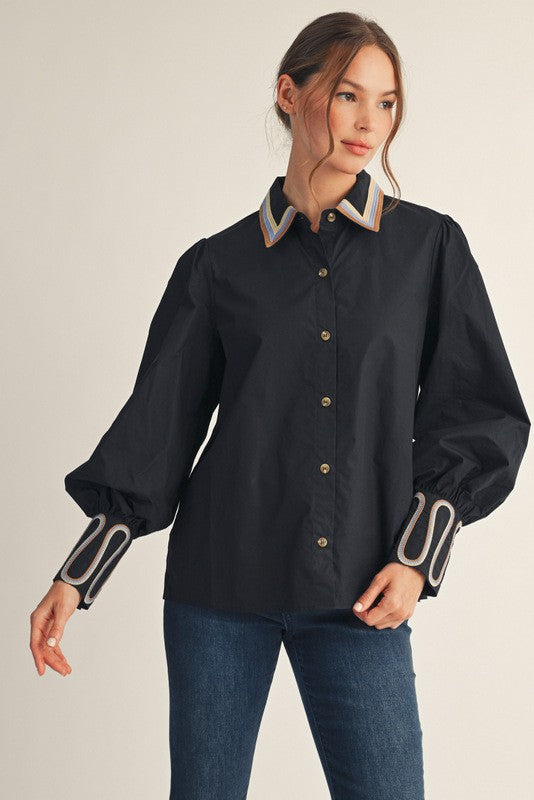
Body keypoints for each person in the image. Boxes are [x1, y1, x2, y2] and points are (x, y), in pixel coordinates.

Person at [30, 11, 530, 800]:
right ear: (290, 95)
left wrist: (418, 557)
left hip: (361, 594)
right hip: (218, 591)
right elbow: (158, 430)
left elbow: (480, 413)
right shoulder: (217, 265)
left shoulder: (429, 250)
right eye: (348, 95)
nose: (370, 122)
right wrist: (77, 575)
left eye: (387, 102)